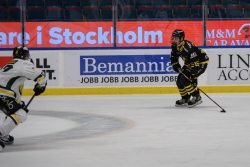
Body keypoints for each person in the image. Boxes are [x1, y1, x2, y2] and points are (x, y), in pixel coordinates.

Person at [0, 46, 47, 151]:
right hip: (2, 94)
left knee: (15, 110)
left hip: (3, 94)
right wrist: (41, 86)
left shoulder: (9, 64)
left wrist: (18, 104)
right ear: (25, 55)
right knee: (20, 114)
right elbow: (41, 76)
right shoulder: (23, 63)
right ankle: (1, 133)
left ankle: (4, 135)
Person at [170, 29, 209, 108]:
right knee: (179, 81)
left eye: (176, 38)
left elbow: (195, 64)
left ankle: (196, 97)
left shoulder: (187, 48)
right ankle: (185, 98)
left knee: (185, 79)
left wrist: (193, 77)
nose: (174, 40)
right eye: (173, 38)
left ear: (181, 39)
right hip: (189, 63)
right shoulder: (175, 46)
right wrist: (176, 65)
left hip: (201, 63)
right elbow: (174, 57)